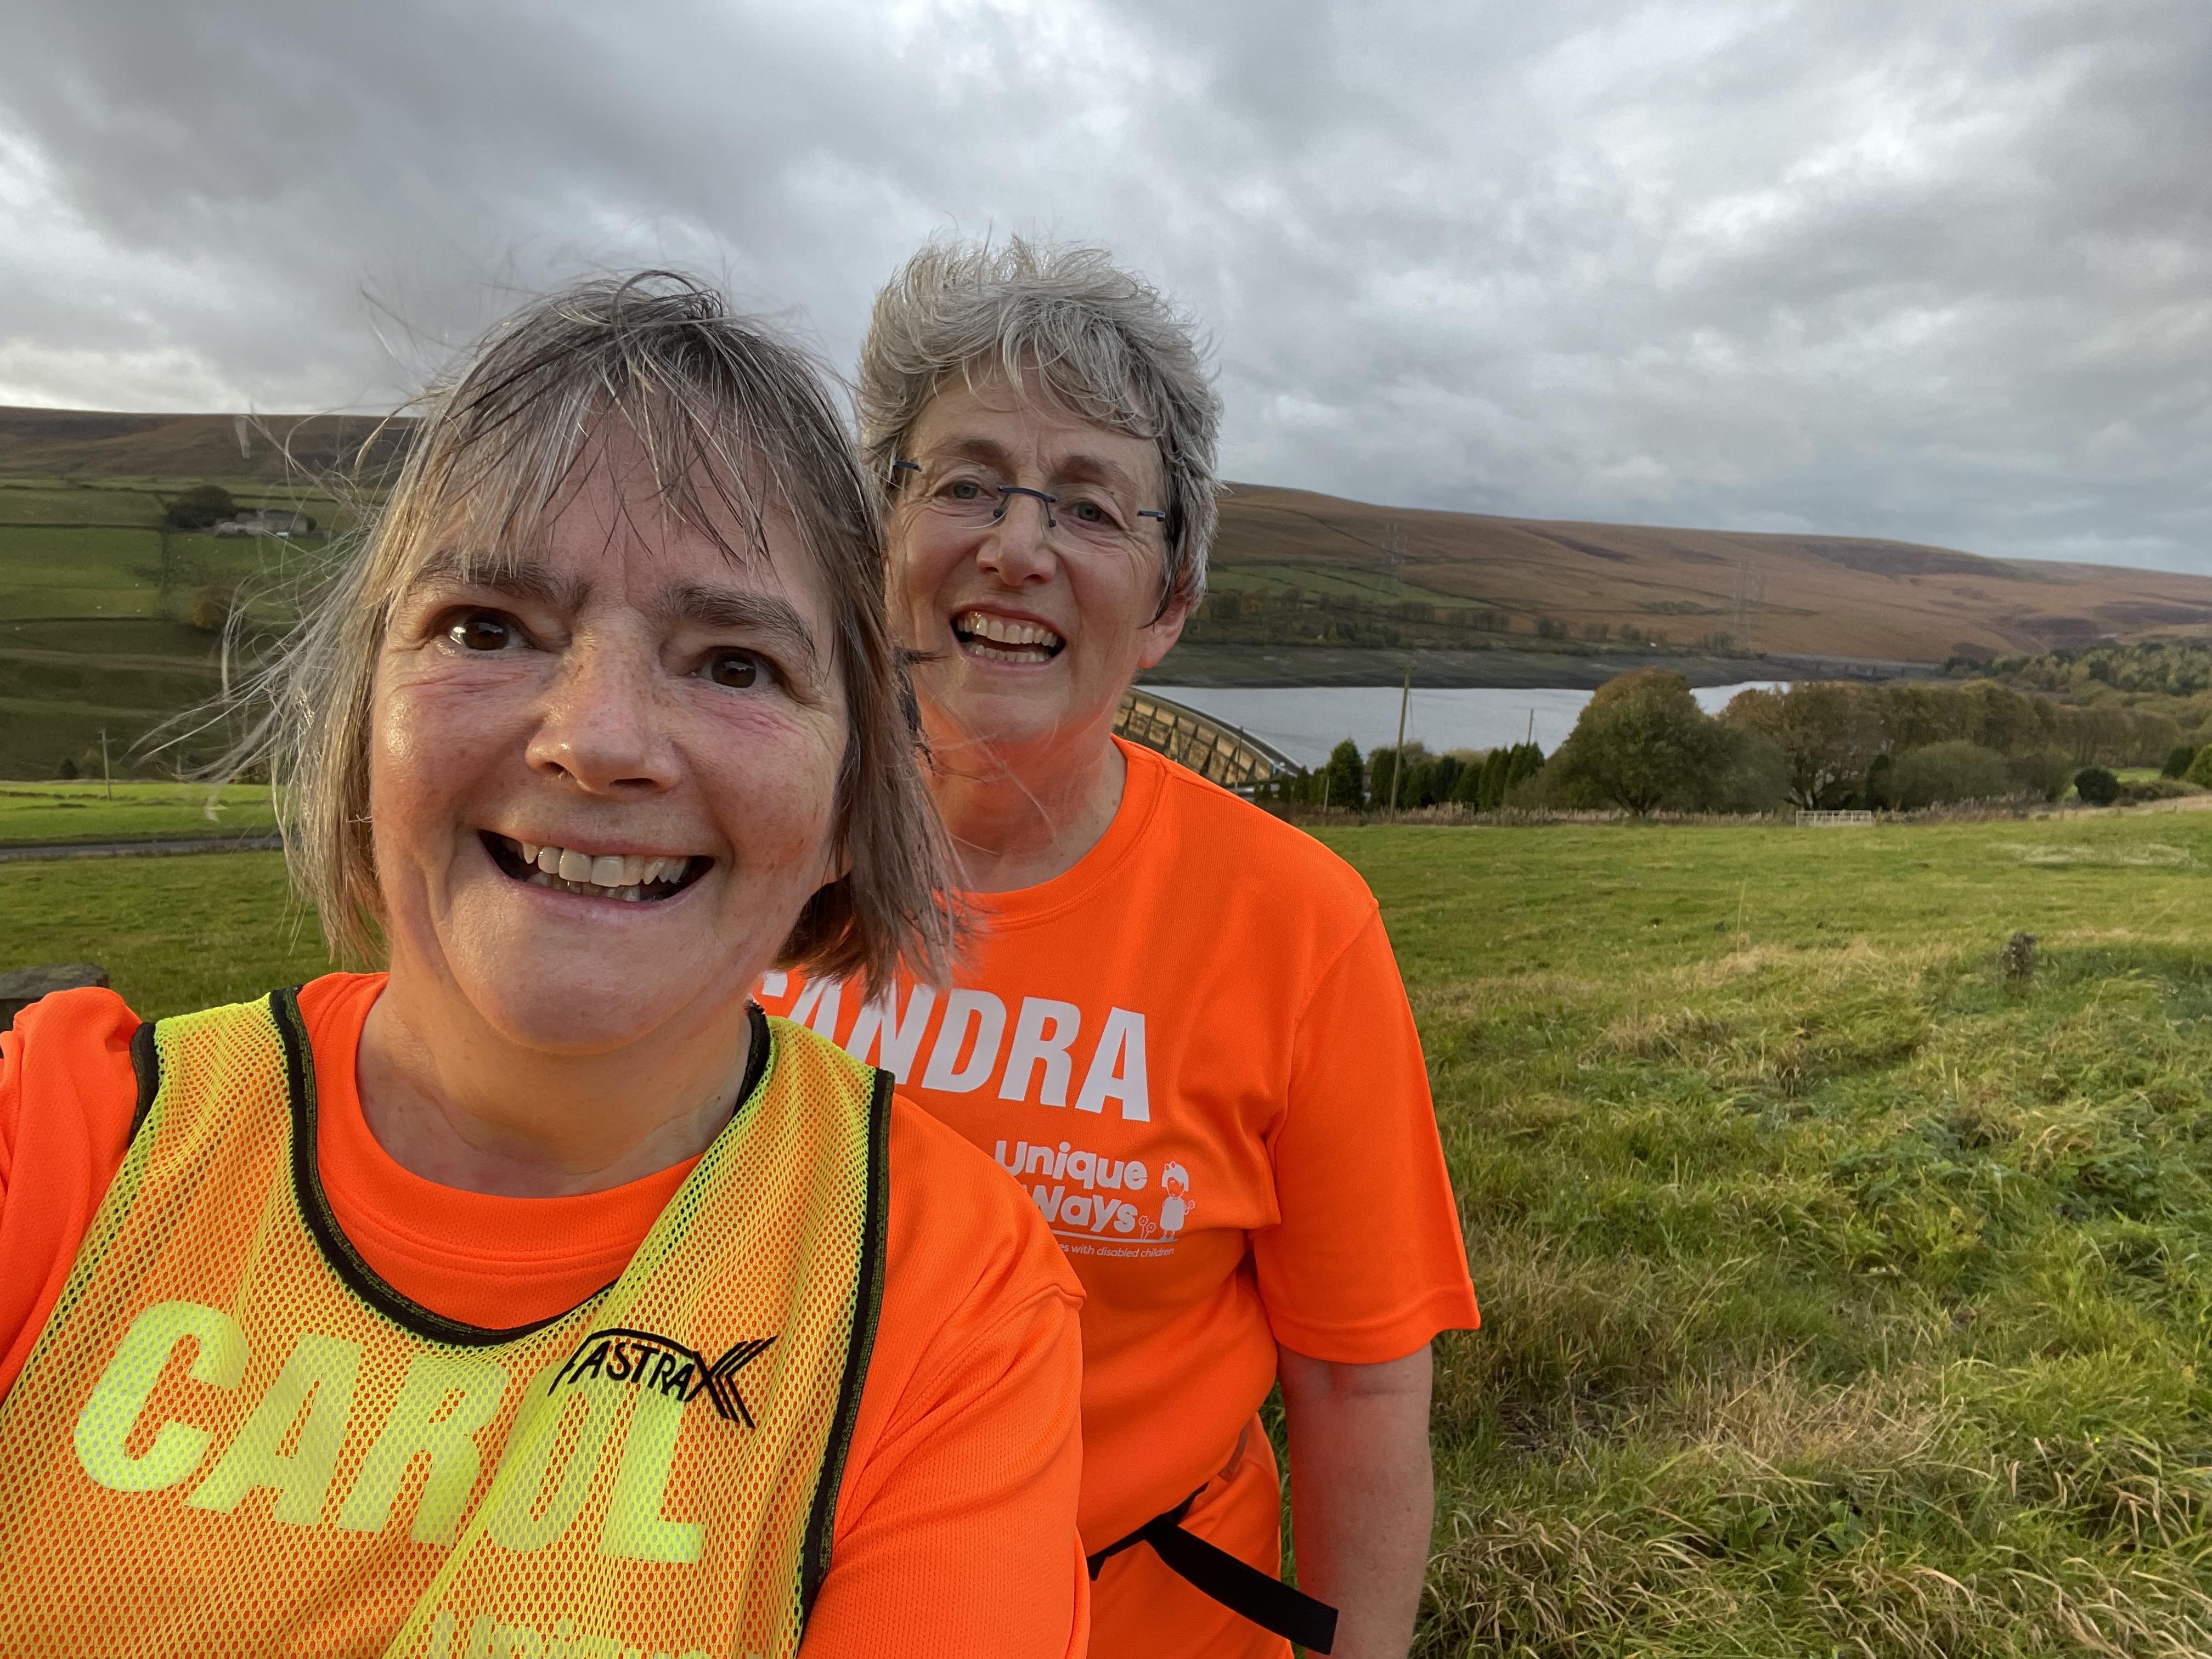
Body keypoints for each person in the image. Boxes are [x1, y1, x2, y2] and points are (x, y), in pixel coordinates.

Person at [0, 274, 1087, 1658]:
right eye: (487, 629)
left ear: (846, 806)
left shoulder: (942, 1290)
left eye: (735, 664)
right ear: (360, 722)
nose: (599, 739)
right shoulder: (63, 1145)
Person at [757, 240, 1480, 1659]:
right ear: (873, 536)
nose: (1015, 548)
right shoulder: (734, 855)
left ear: (1168, 604)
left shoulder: (1297, 924)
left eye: (1090, 506)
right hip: (736, 1597)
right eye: (965, 483)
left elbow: (1361, 1389)